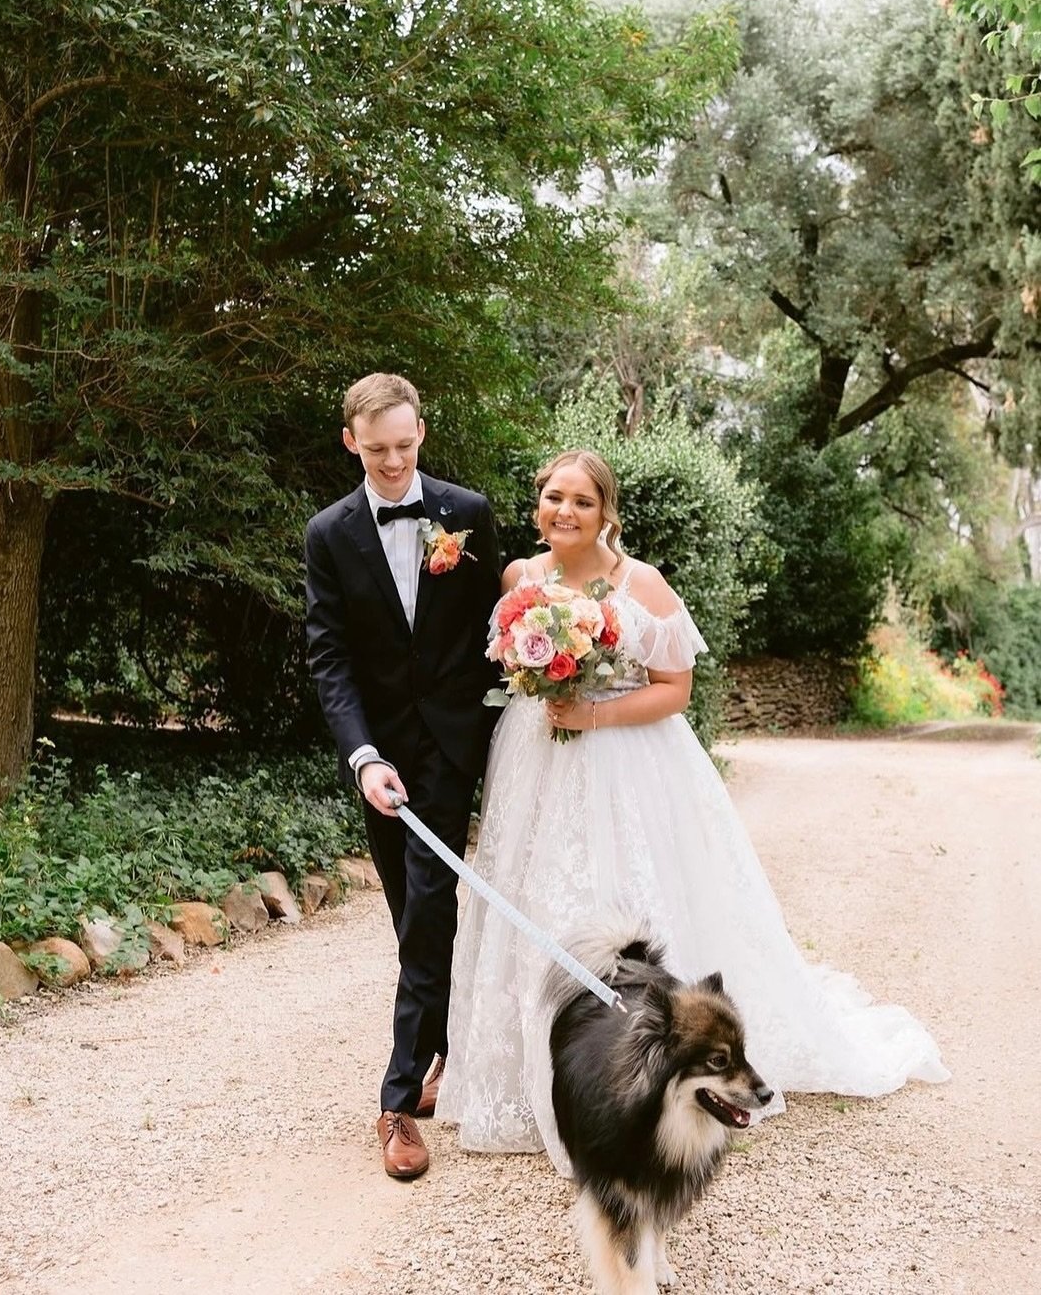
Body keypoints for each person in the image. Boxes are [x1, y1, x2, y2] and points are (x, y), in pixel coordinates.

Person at [435, 449, 948, 1174]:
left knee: (627, 906)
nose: (565, 512)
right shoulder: (519, 579)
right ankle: (526, 1078)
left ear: (606, 512)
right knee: (535, 900)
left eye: (583, 501)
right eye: (554, 497)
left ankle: (638, 1073)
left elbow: (675, 688)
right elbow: (505, 667)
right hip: (533, 756)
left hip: (623, 760)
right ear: (537, 504)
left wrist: (594, 716)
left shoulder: (639, 583)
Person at [304, 373, 501, 1180]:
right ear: (352, 442)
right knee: (409, 913)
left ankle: (395, 1101)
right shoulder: (329, 533)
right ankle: (447, 1054)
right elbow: (329, 656)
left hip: (451, 748)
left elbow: (500, 626)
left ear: (423, 430)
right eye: (376, 448)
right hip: (379, 756)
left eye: (405, 445)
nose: (393, 462)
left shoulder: (469, 514)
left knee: (427, 904)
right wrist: (362, 756)